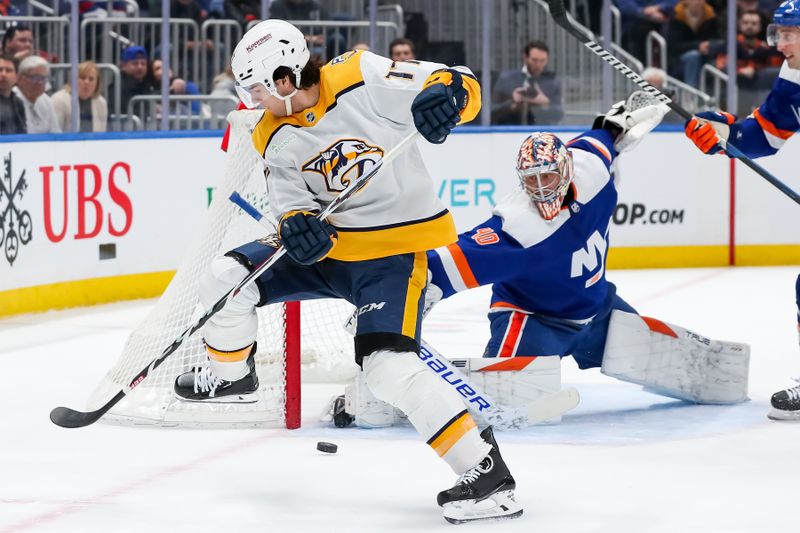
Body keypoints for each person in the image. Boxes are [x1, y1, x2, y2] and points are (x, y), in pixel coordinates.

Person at [174, 19, 522, 524]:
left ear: (284, 76)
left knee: (386, 367)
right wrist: (296, 224)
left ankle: (487, 473)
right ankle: (232, 374)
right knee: (226, 278)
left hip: (392, 253)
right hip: (331, 250)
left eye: (255, 88)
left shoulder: (361, 74)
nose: (252, 100)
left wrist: (448, 95)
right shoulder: (271, 131)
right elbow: (291, 199)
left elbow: (454, 81)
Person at [422, 94, 749, 406]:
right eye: (531, 181)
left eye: (548, 177)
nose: (540, 188)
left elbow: (602, 140)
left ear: (566, 169)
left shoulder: (591, 169)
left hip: (598, 314)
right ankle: (413, 389)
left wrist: (613, 128)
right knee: (503, 396)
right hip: (534, 321)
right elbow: (449, 262)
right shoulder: (518, 225)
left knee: (679, 365)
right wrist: (410, 285)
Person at [684, 0, 800, 420]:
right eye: (779, 33)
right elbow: (768, 135)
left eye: (789, 33)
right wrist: (726, 133)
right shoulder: (794, 75)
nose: (780, 43)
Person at [491, 41, 563, 125]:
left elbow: (559, 115)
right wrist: (512, 105)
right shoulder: (507, 79)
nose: (538, 65)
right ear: (525, 58)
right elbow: (491, 112)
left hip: (540, 133)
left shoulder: (552, 82)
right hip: (511, 132)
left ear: (547, 60)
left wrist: (546, 103)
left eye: (542, 60)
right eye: (534, 60)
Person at [666, 0, 721, 88]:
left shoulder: (711, 16)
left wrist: (708, 45)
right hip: (678, 57)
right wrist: (698, 46)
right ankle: (690, 91)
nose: (697, 2)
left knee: (717, 60)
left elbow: (716, 38)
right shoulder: (676, 16)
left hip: (705, 54)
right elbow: (673, 46)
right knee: (693, 56)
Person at [51, 60, 108, 132]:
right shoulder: (58, 99)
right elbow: (55, 132)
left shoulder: (101, 103)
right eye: (83, 78)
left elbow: (101, 134)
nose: (87, 82)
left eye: (91, 79)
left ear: (97, 83)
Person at [13, 56, 60, 134]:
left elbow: (56, 133)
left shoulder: (46, 100)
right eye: (35, 77)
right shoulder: (11, 100)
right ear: (20, 78)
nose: (40, 82)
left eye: (43, 78)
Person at [117, 45, 155, 118]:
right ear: (123, 66)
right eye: (135, 63)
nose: (140, 67)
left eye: (143, 64)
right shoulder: (117, 89)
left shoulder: (147, 86)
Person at [0, 54, 26, 134]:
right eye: (0, 70)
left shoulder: (18, 103)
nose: (3, 74)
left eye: (8, 70)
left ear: (17, 78)